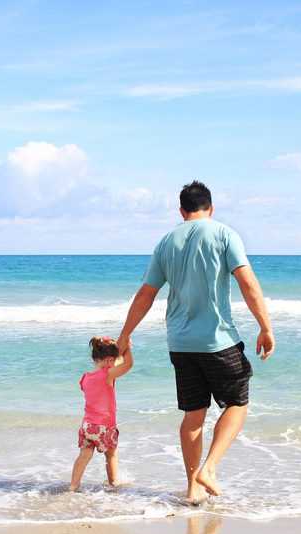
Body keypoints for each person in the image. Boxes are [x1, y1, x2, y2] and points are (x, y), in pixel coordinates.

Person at [116, 180, 274, 504]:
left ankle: (192, 489)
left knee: (193, 415)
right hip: (217, 341)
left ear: (181, 211)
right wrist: (265, 327)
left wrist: (125, 334)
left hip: (180, 343)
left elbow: (147, 293)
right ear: (211, 208)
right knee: (237, 404)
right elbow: (247, 282)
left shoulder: (165, 243)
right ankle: (209, 469)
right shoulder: (224, 234)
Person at [69, 336, 133, 492]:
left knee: (84, 455)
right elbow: (128, 364)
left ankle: (73, 486)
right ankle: (113, 483)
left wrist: (119, 350)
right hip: (104, 427)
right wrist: (128, 348)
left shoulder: (84, 378)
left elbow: (112, 365)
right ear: (110, 360)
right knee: (111, 455)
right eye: (113, 360)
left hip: (87, 426)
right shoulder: (108, 375)